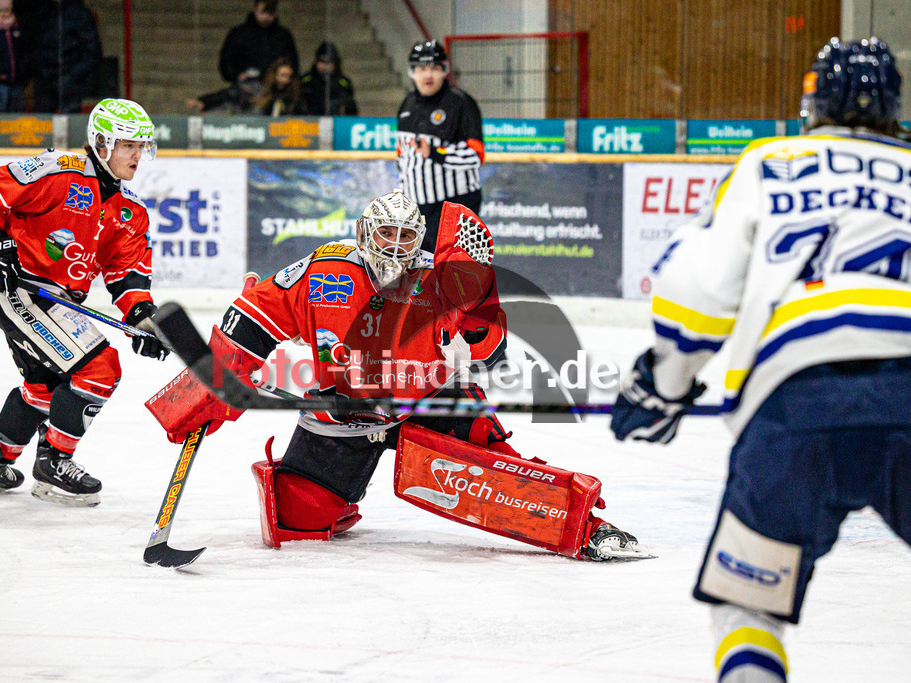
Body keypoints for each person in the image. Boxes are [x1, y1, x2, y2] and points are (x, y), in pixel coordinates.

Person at [610, 37, 911, 682]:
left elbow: (697, 294)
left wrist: (665, 388)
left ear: (812, 100)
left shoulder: (773, 162)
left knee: (745, 603)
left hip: (796, 398)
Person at [147, 191, 641, 561]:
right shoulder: (324, 268)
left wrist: (477, 315)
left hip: (431, 404)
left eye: (408, 235)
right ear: (366, 230)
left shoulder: (440, 277)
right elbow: (254, 314)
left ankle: (584, 525)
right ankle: (339, 499)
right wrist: (216, 379)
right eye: (387, 233)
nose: (397, 245)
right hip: (342, 411)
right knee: (297, 521)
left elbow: (492, 355)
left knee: (505, 480)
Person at [0, 98, 169, 507]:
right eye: (129, 146)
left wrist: (142, 317)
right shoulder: (59, 171)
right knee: (100, 366)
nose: (138, 156)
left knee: (44, 387)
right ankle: (54, 463)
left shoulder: (131, 210)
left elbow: (126, 276)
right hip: (18, 289)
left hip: (59, 303)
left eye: (142, 147)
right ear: (102, 143)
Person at [396, 40, 484, 252]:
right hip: (418, 209)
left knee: (454, 274)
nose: (428, 75)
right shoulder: (406, 104)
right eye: (422, 69)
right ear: (412, 72)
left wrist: (436, 153)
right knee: (419, 275)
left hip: (455, 206)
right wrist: (401, 197)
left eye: (434, 68)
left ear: (444, 70)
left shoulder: (461, 103)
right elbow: (403, 158)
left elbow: (475, 155)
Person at [216, 0, 298, 113]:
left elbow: (293, 64)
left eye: (270, 13)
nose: (266, 17)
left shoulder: (283, 36)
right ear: (255, 10)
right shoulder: (239, 34)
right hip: (246, 91)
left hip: (275, 92)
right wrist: (237, 75)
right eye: (262, 12)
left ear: (275, 13)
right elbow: (226, 61)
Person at [29, 0, 101, 113]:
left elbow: (93, 51)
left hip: (70, 80)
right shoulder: (43, 12)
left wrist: (74, 75)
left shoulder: (79, 14)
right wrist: (40, 70)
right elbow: (35, 45)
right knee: (43, 124)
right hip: (45, 80)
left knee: (69, 124)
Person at [0, 0, 28, 112]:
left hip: (17, 79)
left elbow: (24, 52)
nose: (3, 14)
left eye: (6, 10)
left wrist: (23, 72)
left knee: (17, 109)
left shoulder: (17, 30)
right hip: (0, 81)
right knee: (0, 109)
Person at [300, 41, 357, 116]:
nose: (324, 66)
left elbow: (351, 109)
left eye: (328, 63)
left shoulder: (343, 83)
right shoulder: (306, 80)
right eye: (321, 62)